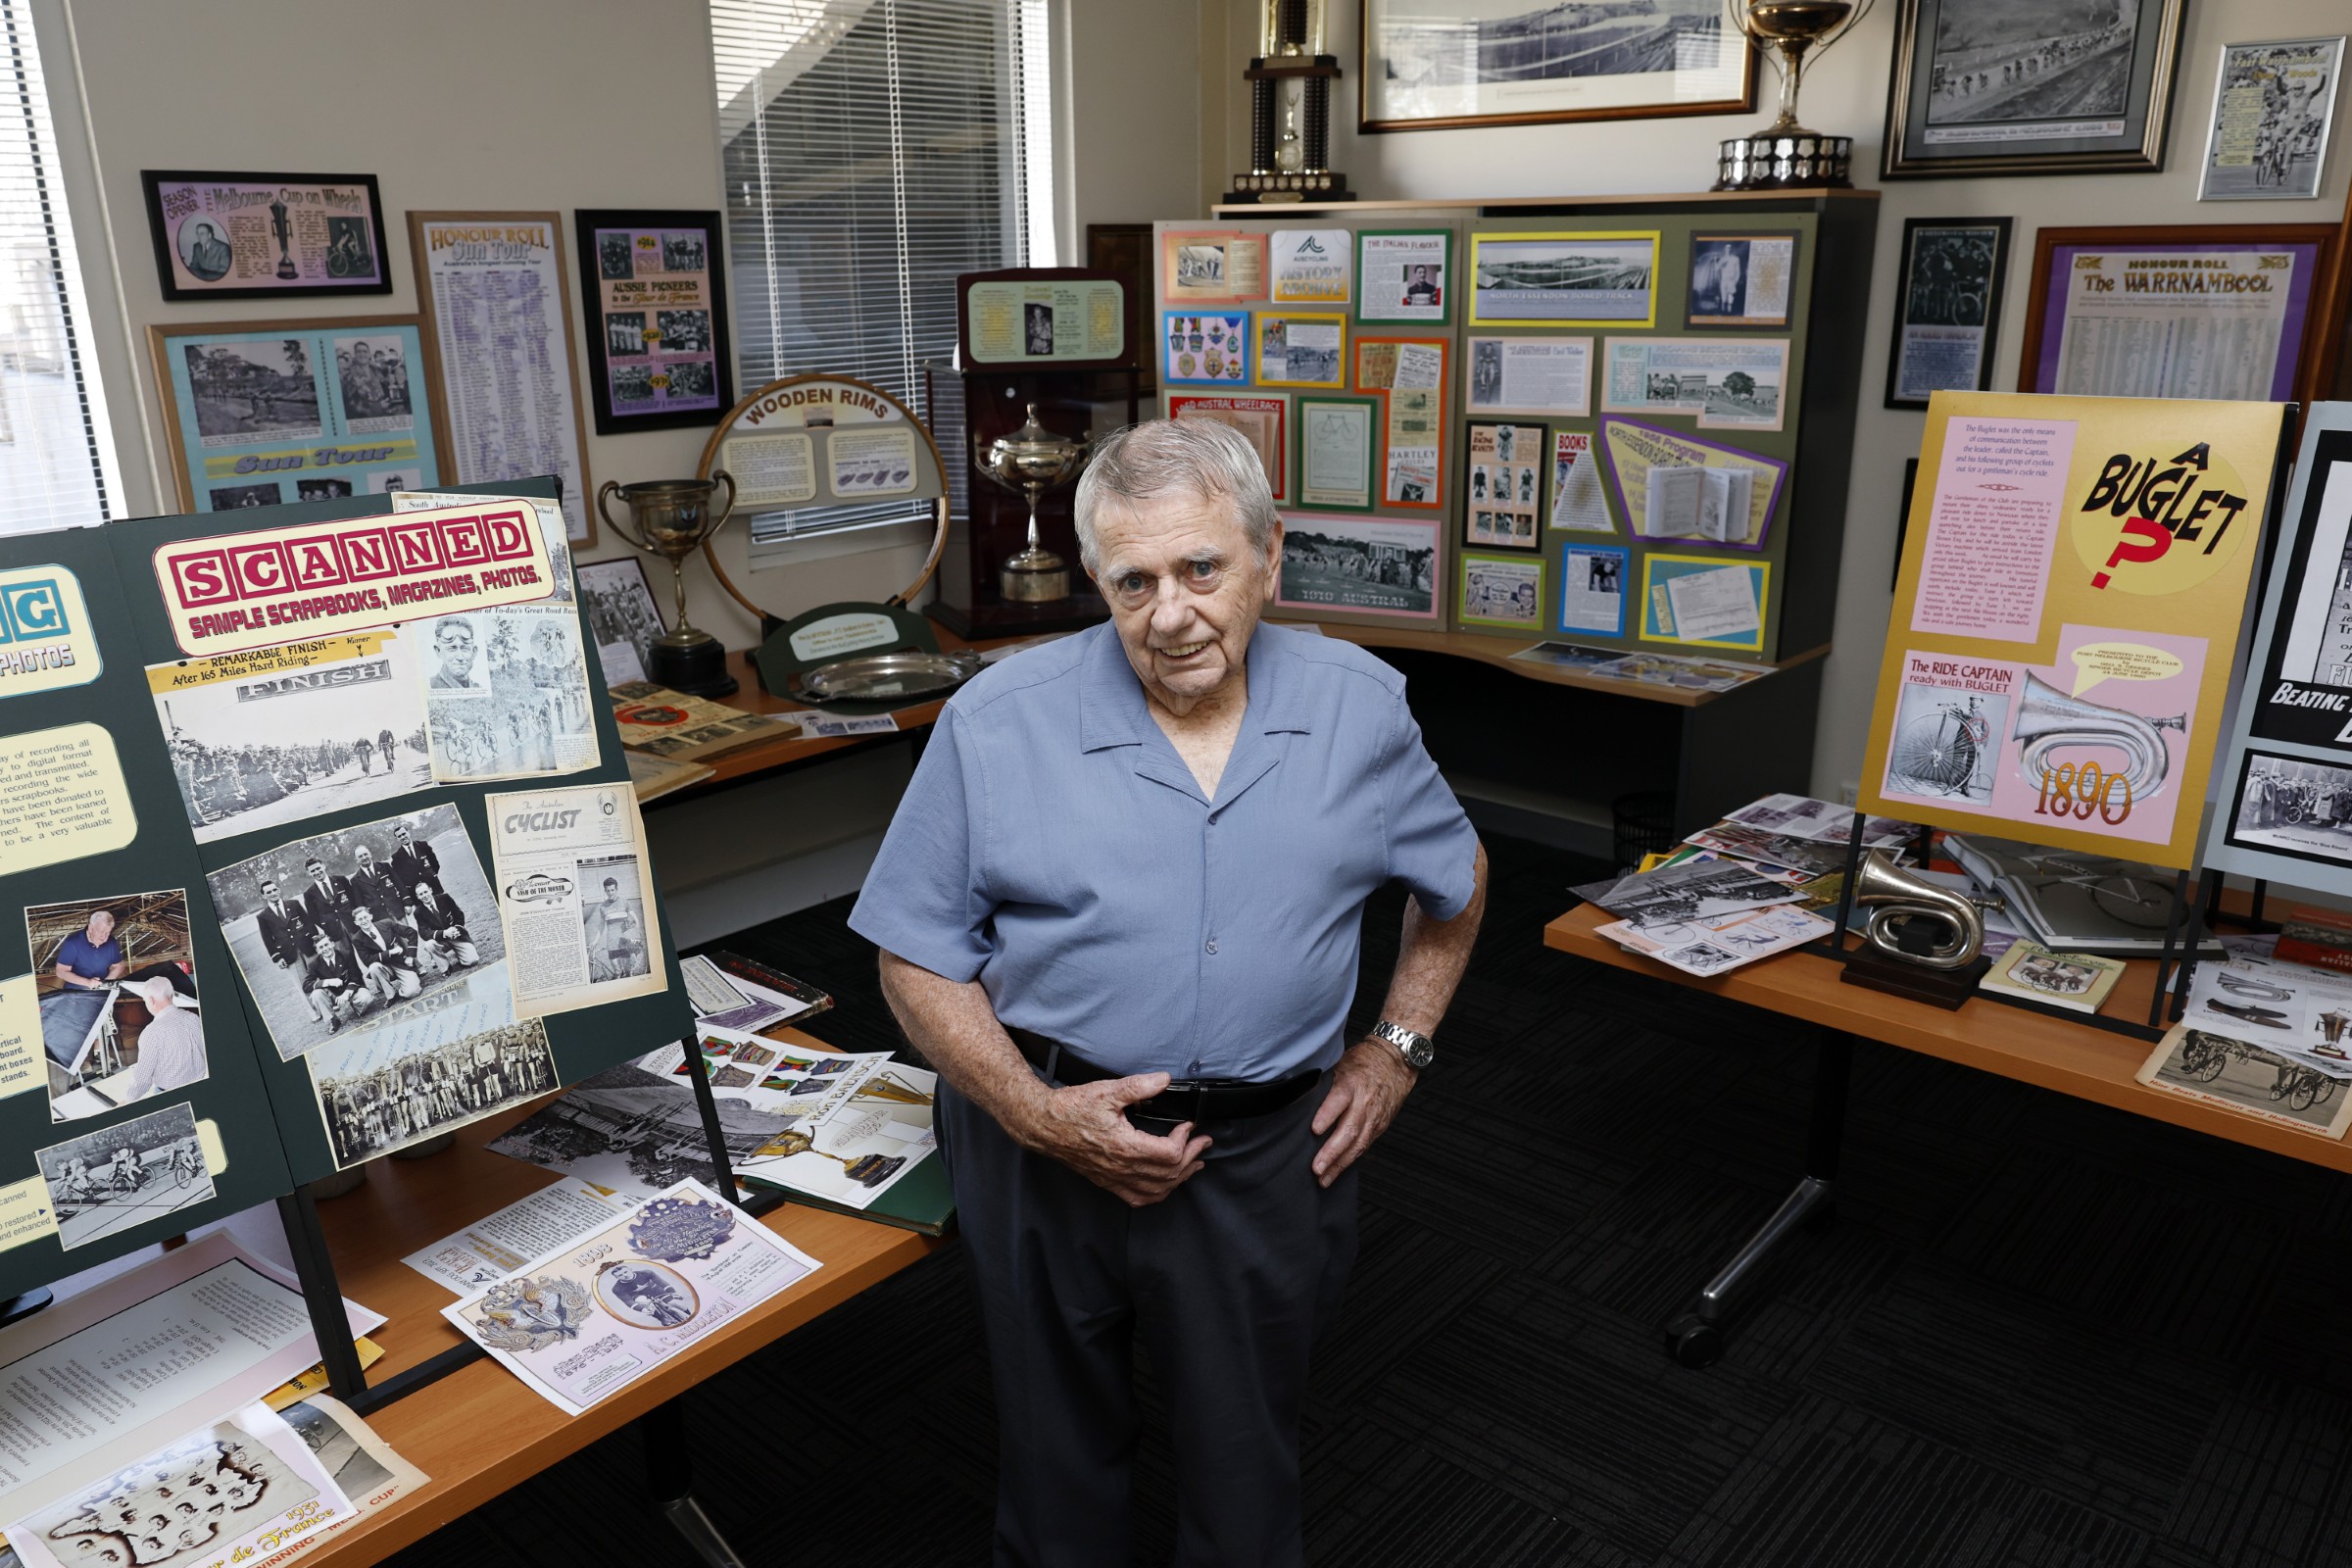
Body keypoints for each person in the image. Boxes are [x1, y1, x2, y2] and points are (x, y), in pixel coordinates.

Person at [850, 417, 1486, 1567]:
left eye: (1203, 567)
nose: (1172, 613)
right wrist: (1032, 1113)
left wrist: (1397, 1046)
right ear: (1097, 581)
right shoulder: (994, 723)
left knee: (1245, 1471)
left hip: (1262, 1155)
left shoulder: (1362, 707)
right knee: (1053, 1466)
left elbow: (1459, 880)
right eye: (1133, 580)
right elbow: (913, 953)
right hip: (1037, 1137)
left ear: (1268, 556)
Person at [122, 977, 208, 1101]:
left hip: (171, 1096)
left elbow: (142, 1079)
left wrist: (128, 1101)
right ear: (171, 995)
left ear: (151, 1000)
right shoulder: (193, 1018)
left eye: (145, 1000)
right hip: (200, 1087)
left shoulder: (152, 1032)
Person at [347, 906, 423, 1002]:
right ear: (356, 923)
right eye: (360, 919)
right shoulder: (357, 939)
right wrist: (389, 952)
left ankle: (404, 987)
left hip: (400, 963)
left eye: (365, 917)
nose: (364, 921)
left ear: (371, 916)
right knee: (373, 967)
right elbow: (367, 960)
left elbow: (411, 932)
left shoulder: (387, 923)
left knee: (412, 992)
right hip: (383, 968)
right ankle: (391, 996)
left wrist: (410, 956)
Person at [301, 929, 372, 1031]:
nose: (325, 949)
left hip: (351, 990)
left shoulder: (346, 955)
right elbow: (306, 985)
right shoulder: (314, 964)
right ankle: (333, 1019)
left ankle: (356, 1006)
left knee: (366, 998)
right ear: (317, 951)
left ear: (332, 944)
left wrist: (346, 993)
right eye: (321, 947)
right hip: (333, 995)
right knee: (316, 994)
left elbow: (356, 976)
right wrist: (327, 982)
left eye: (326, 945)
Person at [53, 908, 127, 990]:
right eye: (101, 932)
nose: (104, 937)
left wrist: (106, 983)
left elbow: (119, 966)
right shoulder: (72, 942)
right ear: (91, 928)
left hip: (100, 993)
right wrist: (87, 982)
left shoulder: (111, 942)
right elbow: (60, 972)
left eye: (107, 933)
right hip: (75, 995)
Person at [412, 880, 478, 970]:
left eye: (426, 892)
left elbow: (458, 914)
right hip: (440, 942)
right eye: (421, 894)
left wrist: (457, 929)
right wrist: (444, 933)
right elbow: (424, 932)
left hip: (456, 936)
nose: (424, 896)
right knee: (428, 945)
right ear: (418, 897)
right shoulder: (418, 912)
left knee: (473, 961)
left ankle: (460, 955)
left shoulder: (445, 898)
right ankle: (446, 968)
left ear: (431, 890)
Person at [430, 618, 483, 690]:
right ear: (438, 651)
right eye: (452, 649)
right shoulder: (431, 686)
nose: (460, 657)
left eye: (465, 649)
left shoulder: (478, 688)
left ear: (474, 652)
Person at [389, 821, 441, 892]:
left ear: (408, 832)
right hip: (415, 891)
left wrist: (431, 876)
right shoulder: (396, 857)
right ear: (397, 839)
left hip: (433, 885)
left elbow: (435, 863)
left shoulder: (423, 845)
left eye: (404, 834)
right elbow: (399, 877)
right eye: (399, 836)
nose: (403, 837)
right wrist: (411, 885)